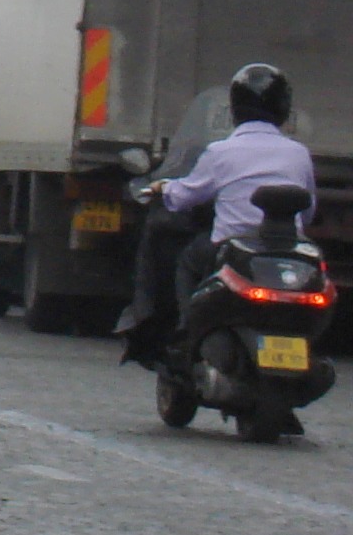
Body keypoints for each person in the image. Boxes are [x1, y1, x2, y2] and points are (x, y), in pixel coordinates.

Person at [120, 63, 318, 362]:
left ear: (235, 108)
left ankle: (187, 331)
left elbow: (185, 195)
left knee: (187, 262)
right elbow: (308, 210)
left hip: (233, 249)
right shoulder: (298, 153)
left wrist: (163, 188)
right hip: (289, 251)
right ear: (284, 109)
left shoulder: (221, 152)